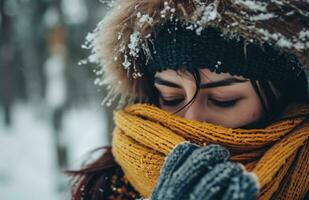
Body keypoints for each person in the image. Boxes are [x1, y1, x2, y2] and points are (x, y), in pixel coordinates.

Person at [69, 1, 309, 199]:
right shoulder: (106, 185)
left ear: (283, 96)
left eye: (223, 100)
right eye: (171, 97)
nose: (192, 120)